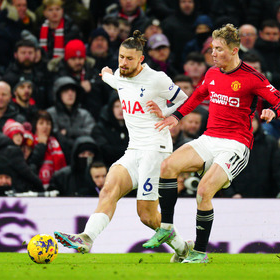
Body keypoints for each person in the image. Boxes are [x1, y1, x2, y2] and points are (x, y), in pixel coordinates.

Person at [142, 24, 280, 263]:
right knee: (167, 167)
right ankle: (167, 227)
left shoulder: (252, 78)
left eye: (219, 49)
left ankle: (200, 252)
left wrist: (273, 111)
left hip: (235, 145)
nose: (213, 53)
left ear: (234, 50)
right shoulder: (211, 74)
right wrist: (175, 116)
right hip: (210, 138)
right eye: (212, 48)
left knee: (203, 191)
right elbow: (197, 97)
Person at [54, 30, 192, 262]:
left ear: (141, 59)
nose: (123, 63)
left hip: (155, 150)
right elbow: (115, 80)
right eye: (120, 57)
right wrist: (107, 74)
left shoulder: (157, 79)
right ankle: (87, 238)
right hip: (133, 149)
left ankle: (182, 249)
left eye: (129, 58)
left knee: (147, 215)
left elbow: (185, 99)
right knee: (109, 189)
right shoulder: (120, 74)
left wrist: (167, 114)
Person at [91, 95, 129, 168]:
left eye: (123, 106)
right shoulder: (100, 128)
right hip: (107, 168)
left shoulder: (132, 127)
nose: (121, 109)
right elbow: (105, 151)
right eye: (117, 106)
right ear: (111, 108)